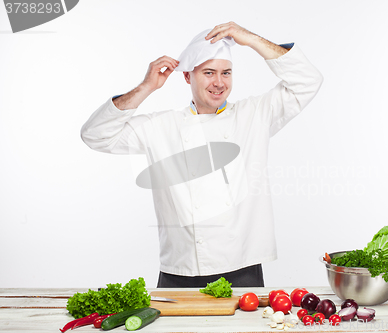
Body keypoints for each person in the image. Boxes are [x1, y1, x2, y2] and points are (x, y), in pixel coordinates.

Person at [81, 22, 323, 288]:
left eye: (226, 73)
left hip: (242, 267)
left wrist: (250, 39)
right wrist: (146, 87)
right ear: (187, 76)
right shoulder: (161, 126)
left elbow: (307, 81)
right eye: (209, 72)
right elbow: (95, 134)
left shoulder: (255, 114)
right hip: (180, 269)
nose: (219, 83)